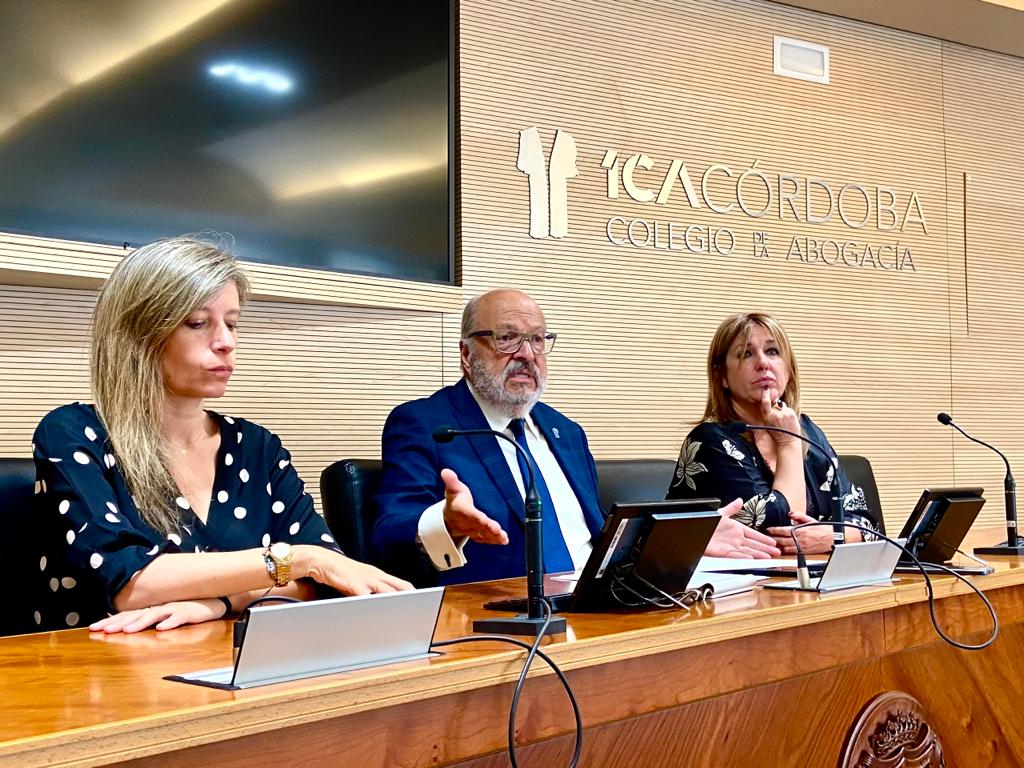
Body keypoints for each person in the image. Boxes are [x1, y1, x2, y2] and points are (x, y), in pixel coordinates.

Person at [29, 237, 411, 633]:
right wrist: (294, 560)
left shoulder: (257, 446)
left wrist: (222, 602)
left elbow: (321, 582)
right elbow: (129, 583)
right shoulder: (74, 433)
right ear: (139, 334)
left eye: (232, 323)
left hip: (230, 671)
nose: (226, 342)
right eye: (198, 323)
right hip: (96, 677)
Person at [372, 290, 779, 586]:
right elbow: (388, 533)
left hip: (603, 603)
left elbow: (598, 539)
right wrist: (444, 524)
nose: (527, 354)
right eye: (507, 338)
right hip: (506, 618)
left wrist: (686, 539)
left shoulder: (565, 432)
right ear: (466, 354)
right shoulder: (426, 423)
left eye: (537, 340)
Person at [666, 311, 879, 554]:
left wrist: (834, 536)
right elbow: (780, 532)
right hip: (739, 588)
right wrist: (787, 443)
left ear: (788, 370)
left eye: (772, 351)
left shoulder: (808, 430)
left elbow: (866, 522)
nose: (763, 363)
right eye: (746, 354)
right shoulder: (710, 440)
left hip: (811, 585)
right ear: (721, 376)